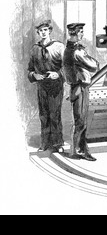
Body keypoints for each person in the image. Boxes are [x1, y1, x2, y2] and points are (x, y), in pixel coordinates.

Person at [63, 23, 99, 161]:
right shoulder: (77, 51)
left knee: (80, 120)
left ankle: (81, 149)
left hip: (75, 87)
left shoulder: (67, 49)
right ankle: (78, 151)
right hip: (80, 88)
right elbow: (93, 65)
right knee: (81, 121)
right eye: (81, 32)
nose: (82, 34)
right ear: (75, 33)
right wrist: (93, 61)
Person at [27, 20, 65, 152]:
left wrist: (58, 74)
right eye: (40, 31)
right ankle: (45, 143)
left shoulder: (59, 47)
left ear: (49, 31)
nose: (43, 32)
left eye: (45, 30)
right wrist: (34, 75)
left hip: (55, 86)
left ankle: (57, 144)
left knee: (55, 114)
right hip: (41, 86)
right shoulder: (35, 49)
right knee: (44, 115)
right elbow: (30, 69)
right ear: (38, 32)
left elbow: (67, 67)